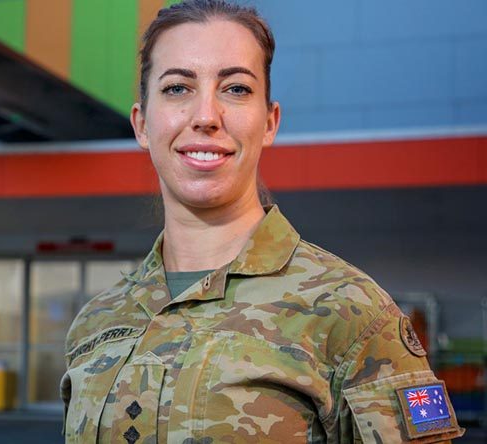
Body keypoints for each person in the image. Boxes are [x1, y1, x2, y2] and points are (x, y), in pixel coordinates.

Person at [60, 1, 464, 443]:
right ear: (142, 124)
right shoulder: (96, 322)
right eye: (177, 88)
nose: (206, 117)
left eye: (235, 89)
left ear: (269, 122)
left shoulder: (351, 315)